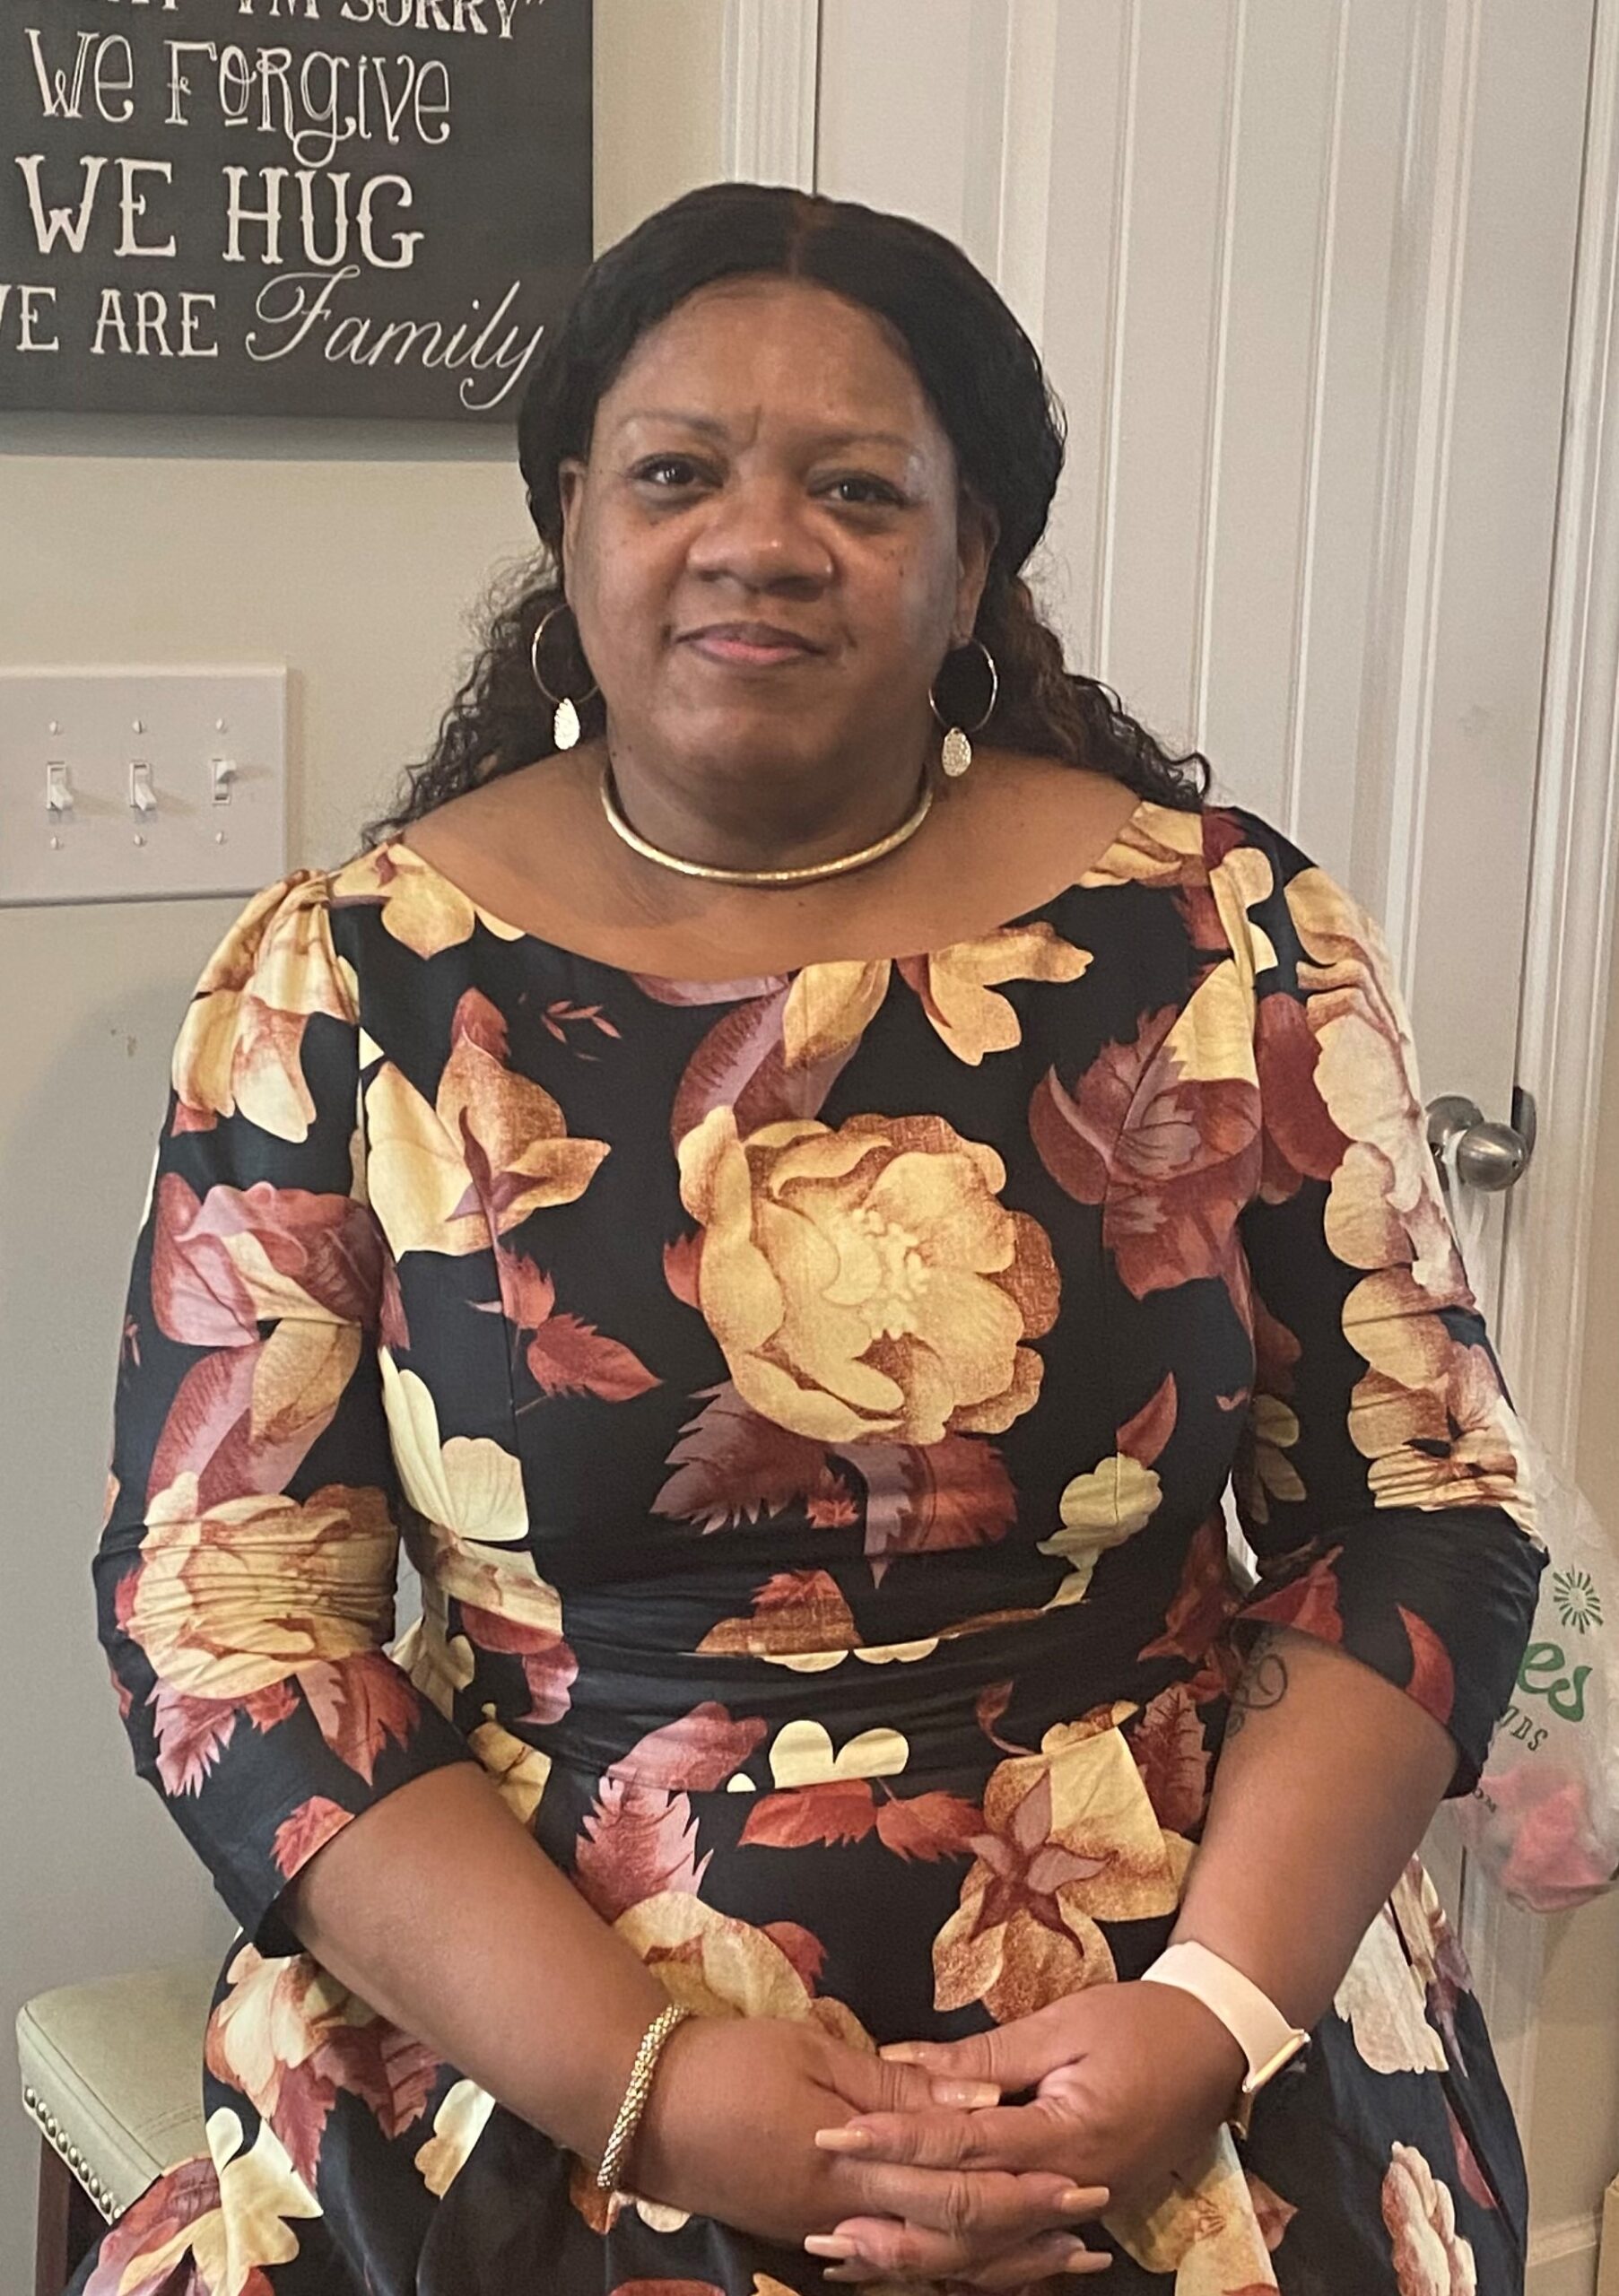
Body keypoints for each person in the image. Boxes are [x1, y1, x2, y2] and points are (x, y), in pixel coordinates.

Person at [79, 180, 1544, 2296]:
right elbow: (236, 1620)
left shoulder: (1229, 941)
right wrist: (658, 2088)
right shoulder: (349, 981)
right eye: (676, 473)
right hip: (542, 2042)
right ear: (572, 519)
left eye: (857, 487)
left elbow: (1416, 1510)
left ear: (973, 560)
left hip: (1176, 2029)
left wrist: (1209, 2019)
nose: (757, 540)